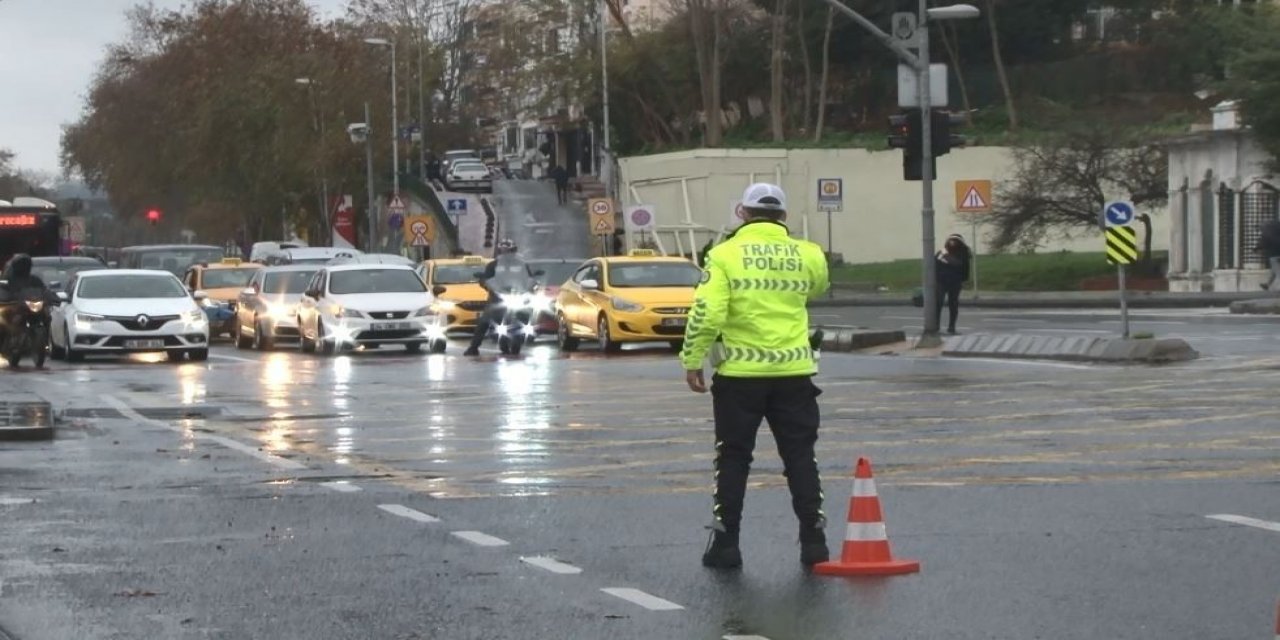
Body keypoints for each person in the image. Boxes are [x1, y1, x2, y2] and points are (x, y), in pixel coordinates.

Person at [680, 183, 831, 570]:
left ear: (742, 213)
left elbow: (708, 314)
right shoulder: (809, 253)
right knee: (800, 456)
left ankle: (726, 544)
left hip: (740, 375)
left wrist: (693, 358)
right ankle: (814, 540)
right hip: (795, 372)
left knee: (733, 458)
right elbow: (818, 287)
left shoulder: (723, 255)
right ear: (783, 217)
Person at [464, 238, 537, 356]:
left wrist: (531, 284)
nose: (506, 254)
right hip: (498, 298)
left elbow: (529, 278)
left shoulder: (522, 265)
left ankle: (526, 335)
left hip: (517, 295)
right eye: (503, 251)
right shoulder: (492, 265)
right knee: (484, 320)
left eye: (509, 251)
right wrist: (487, 285)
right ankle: (473, 347)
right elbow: (486, 279)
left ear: (514, 251)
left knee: (527, 314)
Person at [935, 234, 972, 335]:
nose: (952, 243)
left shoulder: (962, 253)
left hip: (952, 281)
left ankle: (950, 327)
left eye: (954, 241)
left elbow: (964, 267)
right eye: (951, 241)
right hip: (942, 281)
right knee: (939, 304)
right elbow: (934, 266)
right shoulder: (943, 253)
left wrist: (963, 279)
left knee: (952, 304)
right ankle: (937, 327)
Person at [1256, 219, 1280, 290]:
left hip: (1273, 254)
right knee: (1274, 271)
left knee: (1277, 271)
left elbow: (1263, 243)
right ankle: (1267, 284)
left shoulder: (1267, 233)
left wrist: (1256, 249)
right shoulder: (1278, 231)